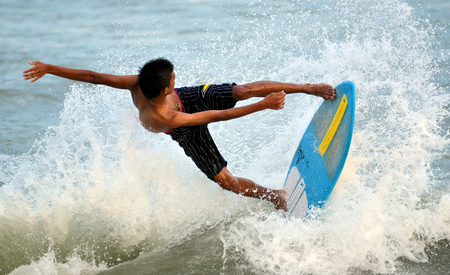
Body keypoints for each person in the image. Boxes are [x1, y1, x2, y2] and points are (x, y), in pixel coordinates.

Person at [23, 58, 336, 211]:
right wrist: (264, 106)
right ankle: (276, 197)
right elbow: (218, 115)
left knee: (241, 90)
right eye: (173, 77)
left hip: (188, 100)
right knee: (226, 181)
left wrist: (50, 68)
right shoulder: (163, 114)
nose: (176, 76)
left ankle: (308, 88)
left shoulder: (138, 81)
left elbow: (92, 76)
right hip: (184, 129)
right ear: (164, 88)